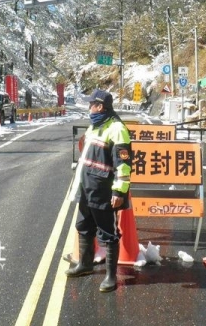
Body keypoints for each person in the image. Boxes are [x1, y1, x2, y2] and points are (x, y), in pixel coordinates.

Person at [66, 89, 132, 293]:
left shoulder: (117, 129)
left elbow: (124, 164)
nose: (89, 108)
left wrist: (119, 192)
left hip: (103, 191)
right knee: (83, 225)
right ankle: (85, 265)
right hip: (86, 188)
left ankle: (111, 276)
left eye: (91, 104)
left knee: (108, 233)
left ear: (100, 106)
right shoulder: (95, 125)